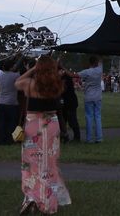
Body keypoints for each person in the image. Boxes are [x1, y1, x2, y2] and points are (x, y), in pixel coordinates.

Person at [16, 56, 72, 213]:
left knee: (30, 162)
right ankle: (47, 201)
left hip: (33, 123)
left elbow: (17, 82)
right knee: (50, 162)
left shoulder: (30, 84)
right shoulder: (57, 85)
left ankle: (31, 197)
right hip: (51, 124)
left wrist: (33, 68)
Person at [78, 56, 103, 144]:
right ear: (96, 62)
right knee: (98, 117)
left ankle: (89, 138)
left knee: (89, 117)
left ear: (89, 62)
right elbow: (100, 59)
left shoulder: (86, 72)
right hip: (98, 97)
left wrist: (63, 68)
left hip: (88, 96)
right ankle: (99, 138)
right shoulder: (100, 70)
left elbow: (73, 75)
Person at [0, 57, 23, 145]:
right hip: (12, 102)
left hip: (1, 102)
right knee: (12, 122)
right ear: (12, 67)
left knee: (2, 122)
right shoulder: (15, 75)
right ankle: (11, 139)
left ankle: (2, 139)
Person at [59, 65, 80, 143]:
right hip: (66, 102)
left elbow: (62, 89)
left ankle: (76, 137)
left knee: (72, 121)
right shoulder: (63, 77)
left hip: (70, 102)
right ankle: (64, 136)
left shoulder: (65, 78)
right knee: (63, 120)